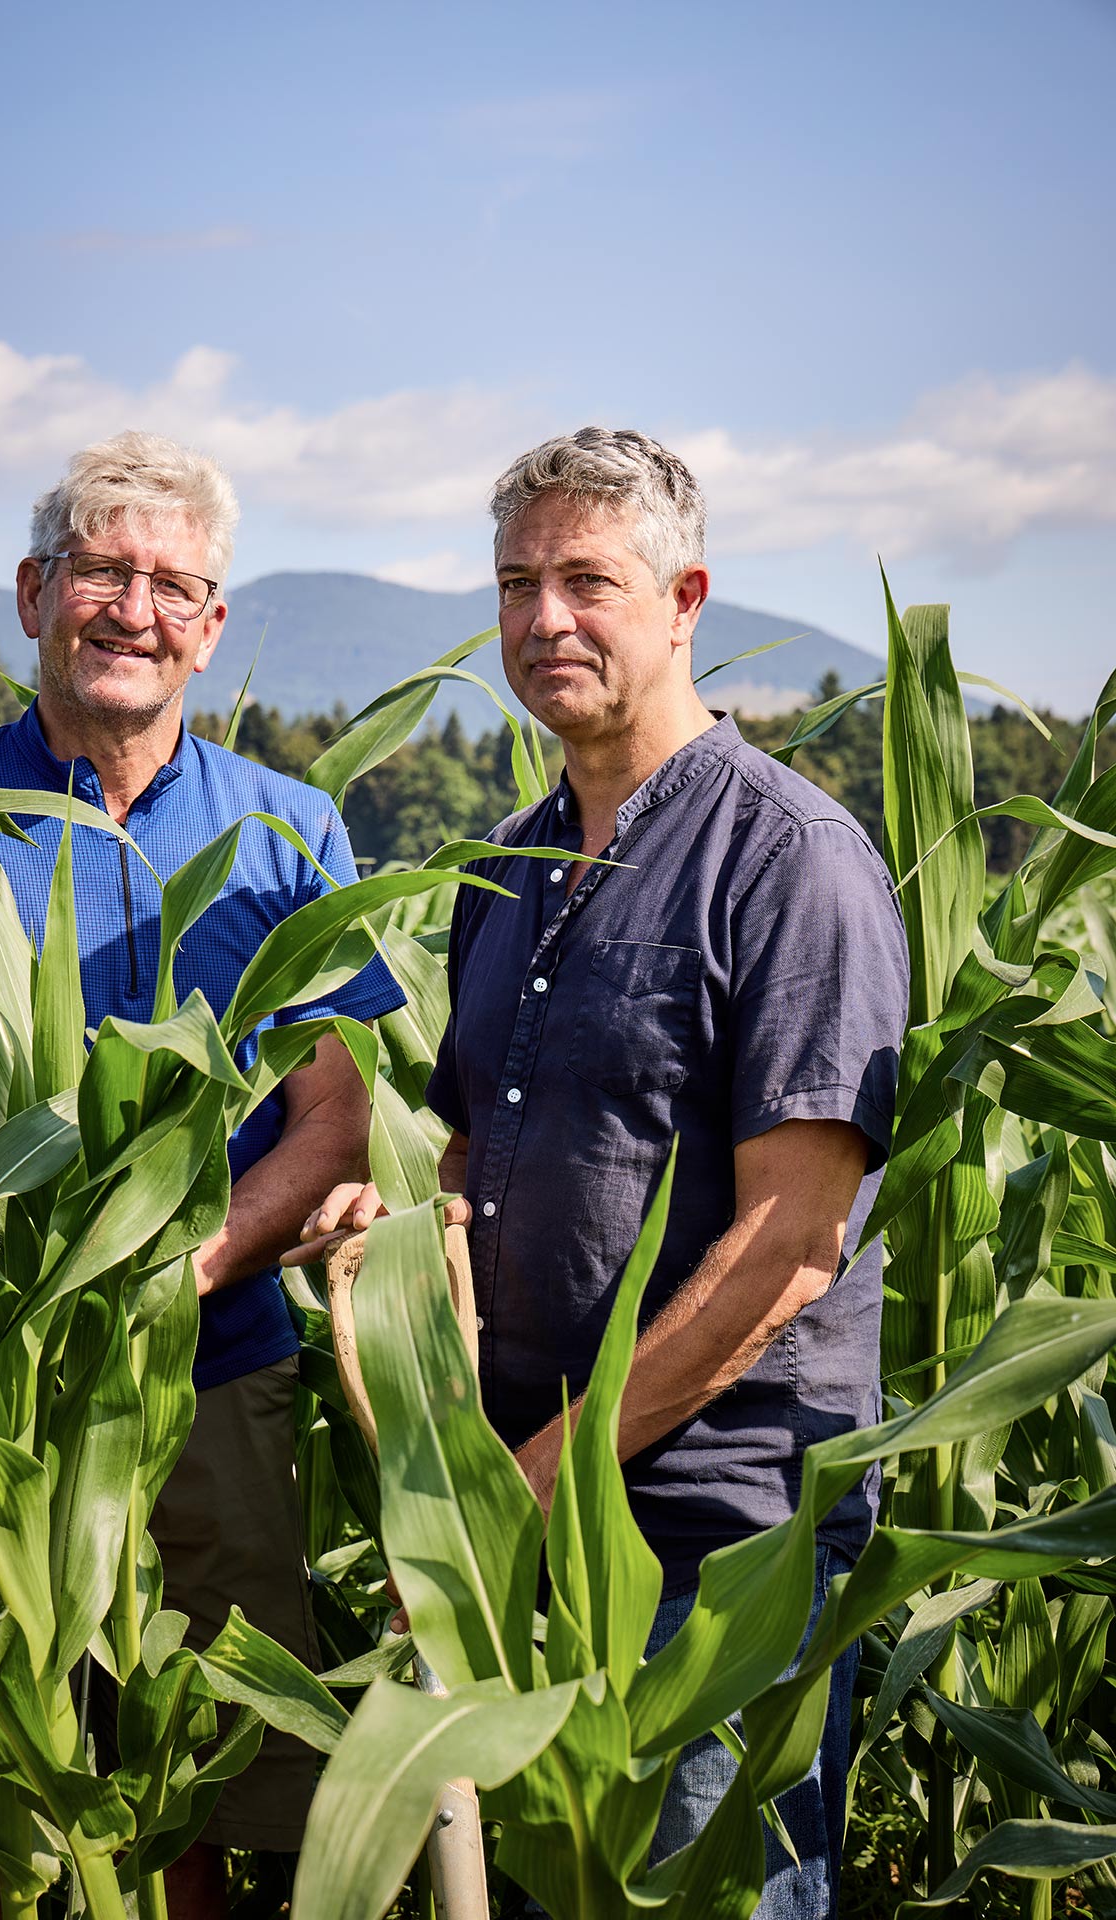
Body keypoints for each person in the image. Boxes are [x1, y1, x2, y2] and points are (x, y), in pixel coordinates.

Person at [294, 427, 910, 1916]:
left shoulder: (788, 862)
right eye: (516, 585)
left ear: (684, 595)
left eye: (588, 580)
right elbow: (468, 1161)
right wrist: (396, 1249)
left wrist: (537, 1485)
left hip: (710, 1539)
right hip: (516, 1517)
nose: (544, 620)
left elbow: (791, 1246)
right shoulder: (503, 870)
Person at [0, 431, 405, 1920]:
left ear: (213, 627)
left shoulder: (285, 832)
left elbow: (336, 1121)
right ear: (34, 592)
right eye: (101, 571)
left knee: (198, 1790)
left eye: (175, 584)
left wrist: (186, 1268)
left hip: (209, 1374)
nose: (133, 608)